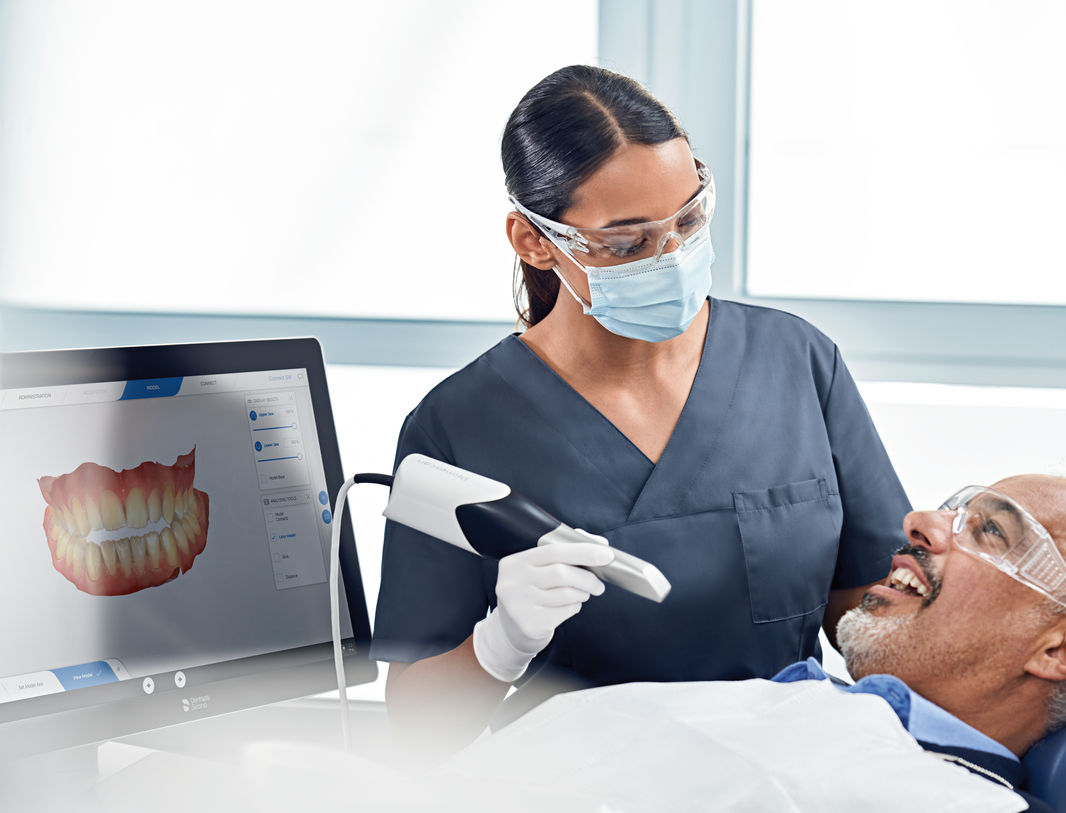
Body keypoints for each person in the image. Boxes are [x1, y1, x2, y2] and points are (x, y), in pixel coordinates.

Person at [373, 64, 910, 750]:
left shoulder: (796, 361)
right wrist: (497, 644)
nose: (673, 255)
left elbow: (879, 619)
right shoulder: (458, 425)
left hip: (785, 775)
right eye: (628, 243)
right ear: (534, 241)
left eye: (689, 219)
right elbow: (418, 729)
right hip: (577, 793)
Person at [375, 472, 1066, 813]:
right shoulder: (785, 703)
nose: (919, 521)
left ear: (1062, 648)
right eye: (953, 507)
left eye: (991, 532)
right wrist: (499, 644)